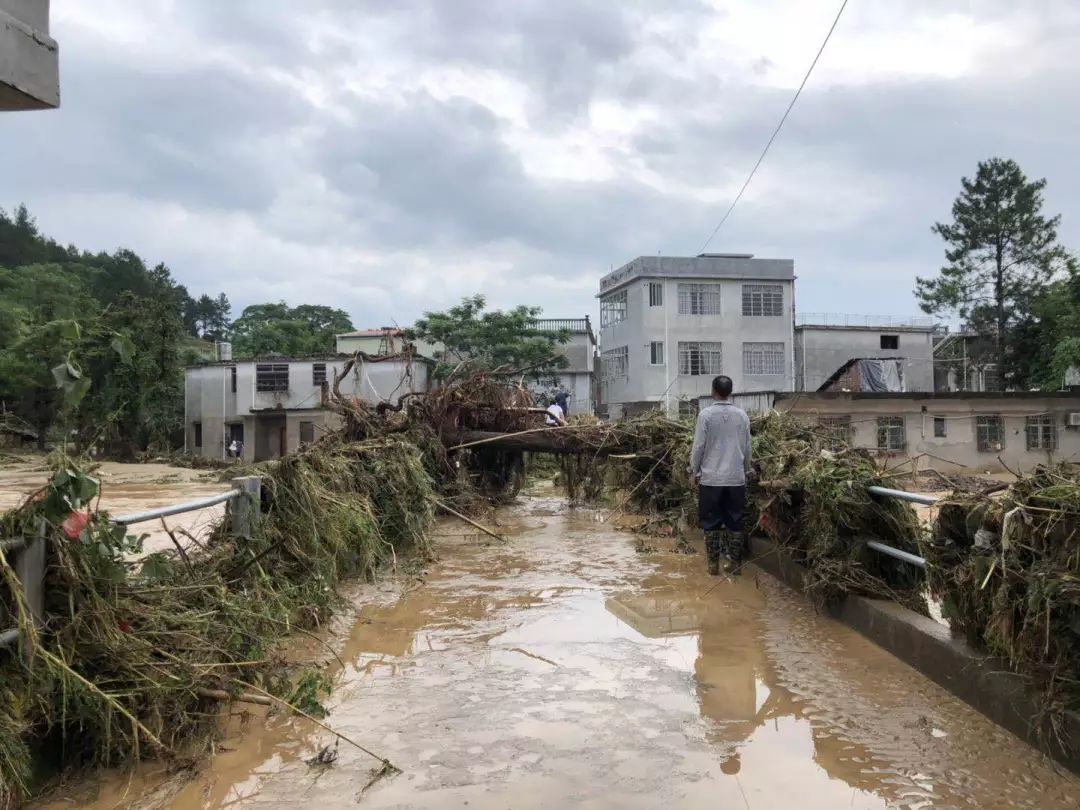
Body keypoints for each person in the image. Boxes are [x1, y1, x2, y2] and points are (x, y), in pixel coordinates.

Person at [688, 375, 752, 575]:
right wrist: (746, 469)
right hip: (736, 479)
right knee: (735, 522)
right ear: (730, 392)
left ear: (713, 391)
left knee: (711, 523)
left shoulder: (705, 415)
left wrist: (693, 470)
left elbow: (698, 446)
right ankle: (735, 565)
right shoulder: (742, 416)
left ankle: (713, 566)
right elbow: (748, 447)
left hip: (711, 479)